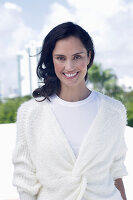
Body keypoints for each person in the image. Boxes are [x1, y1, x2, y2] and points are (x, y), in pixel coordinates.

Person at [12, 22, 128, 200]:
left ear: (88, 57)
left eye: (77, 57)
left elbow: (116, 172)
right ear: (51, 60)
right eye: (60, 58)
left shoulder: (114, 112)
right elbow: (25, 179)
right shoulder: (30, 114)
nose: (69, 66)